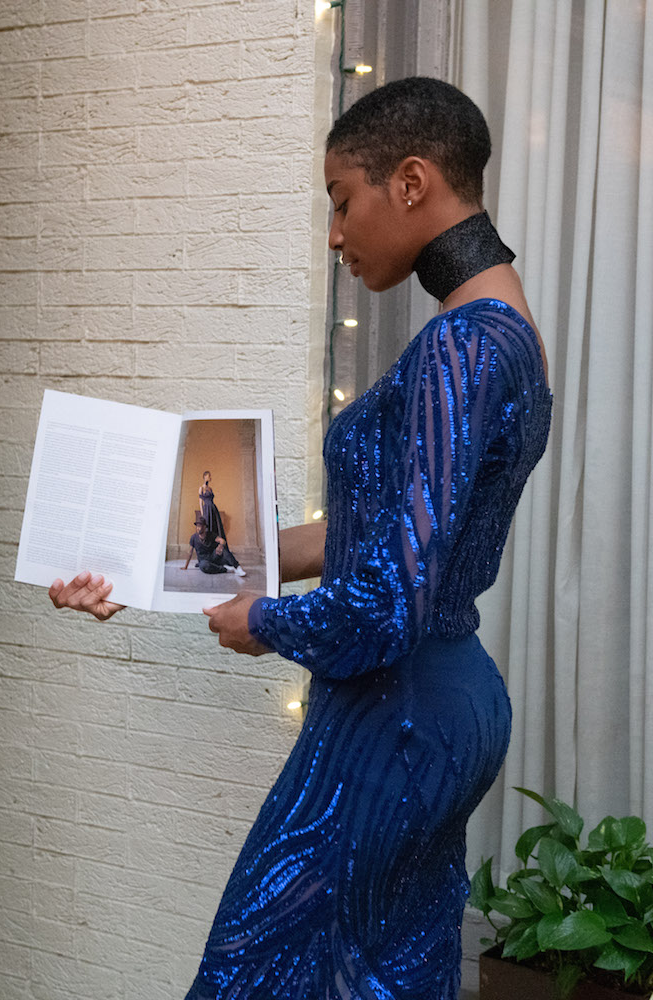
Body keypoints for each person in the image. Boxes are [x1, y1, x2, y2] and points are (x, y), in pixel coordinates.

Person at [48, 76, 552, 1000]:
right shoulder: (508, 333)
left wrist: (266, 622)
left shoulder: (461, 347)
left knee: (254, 974)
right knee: (381, 975)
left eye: (340, 200)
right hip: (446, 705)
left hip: (394, 715)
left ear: (411, 182)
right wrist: (155, 565)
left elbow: (386, 604)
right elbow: (375, 538)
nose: (334, 234)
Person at [183, 512, 247, 577]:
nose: (198, 528)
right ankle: (225, 569)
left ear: (204, 527)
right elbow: (190, 553)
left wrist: (220, 546)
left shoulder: (210, 535)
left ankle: (238, 567)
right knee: (204, 566)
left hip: (214, 557)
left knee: (224, 550)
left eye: (200, 526)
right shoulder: (193, 538)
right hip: (204, 561)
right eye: (197, 526)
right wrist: (186, 566)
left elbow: (222, 541)